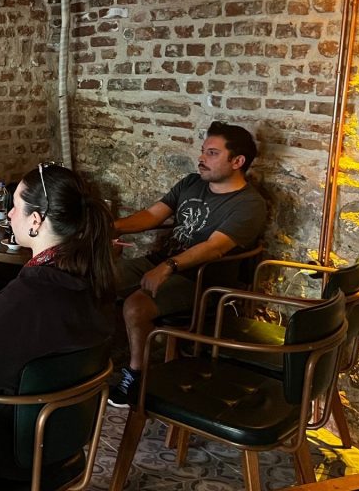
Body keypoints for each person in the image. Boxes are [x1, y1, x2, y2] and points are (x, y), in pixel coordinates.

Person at [0, 164, 116, 484]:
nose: (8, 216)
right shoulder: (97, 282)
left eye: (15, 207)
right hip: (63, 449)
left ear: (36, 220)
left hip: (7, 459)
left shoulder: (29, 295)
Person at [109, 121, 267, 407]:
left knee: (136, 305)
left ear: (237, 161)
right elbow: (152, 215)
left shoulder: (249, 204)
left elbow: (214, 247)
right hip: (162, 262)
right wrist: (111, 228)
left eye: (212, 153)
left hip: (202, 282)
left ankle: (136, 376)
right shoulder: (192, 183)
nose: (202, 158)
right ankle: (92, 360)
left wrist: (168, 266)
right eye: (203, 151)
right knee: (93, 277)